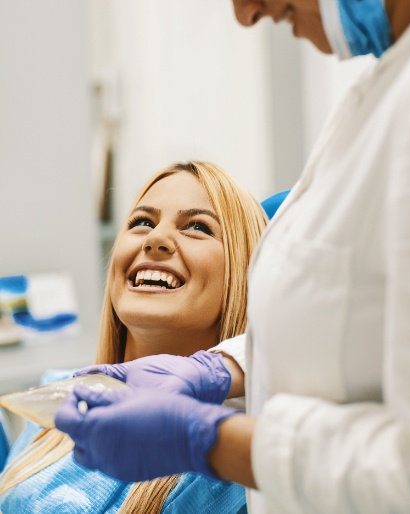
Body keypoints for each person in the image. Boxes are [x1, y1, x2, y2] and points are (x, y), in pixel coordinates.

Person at [55, 0, 410, 512]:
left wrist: (209, 440)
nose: (245, 14)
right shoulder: (400, 77)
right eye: (140, 220)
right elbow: (361, 325)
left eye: (199, 227)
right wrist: (224, 367)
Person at [0, 160, 268, 513]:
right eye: (142, 222)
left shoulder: (242, 466)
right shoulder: (56, 398)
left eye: (198, 227)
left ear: (245, 273)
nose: (156, 239)